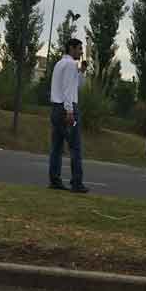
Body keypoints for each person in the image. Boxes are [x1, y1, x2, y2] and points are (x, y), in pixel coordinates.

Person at [48, 39, 89, 192]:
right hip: (67, 110)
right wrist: (70, 111)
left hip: (56, 109)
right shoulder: (71, 64)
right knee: (75, 147)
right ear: (71, 48)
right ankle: (77, 182)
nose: (81, 52)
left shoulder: (60, 64)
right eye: (79, 49)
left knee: (57, 147)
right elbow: (68, 90)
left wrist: (82, 72)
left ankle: (55, 179)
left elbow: (75, 85)